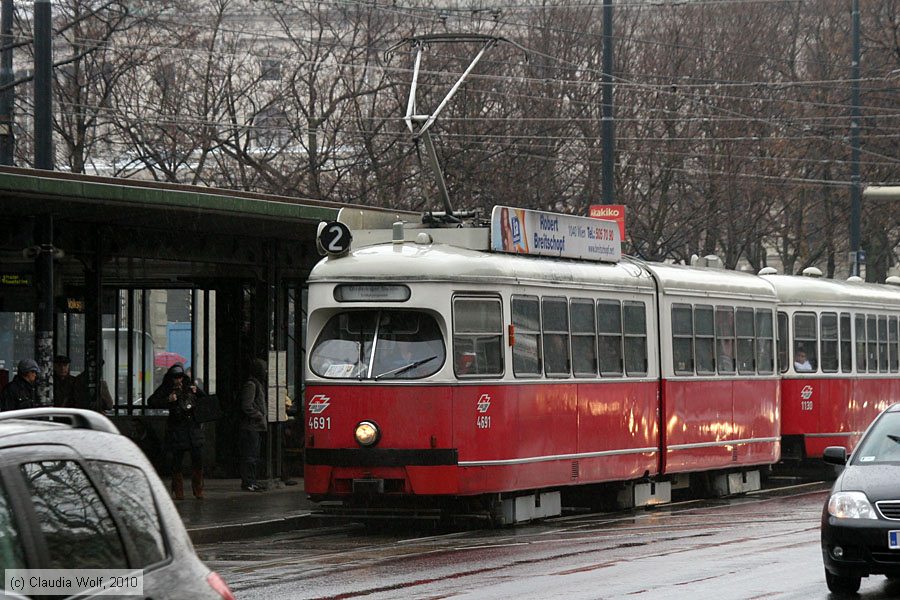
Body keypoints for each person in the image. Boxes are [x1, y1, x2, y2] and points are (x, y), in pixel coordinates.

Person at [149, 363, 204, 500]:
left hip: (192, 428)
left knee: (197, 459)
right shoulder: (167, 389)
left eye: (180, 377)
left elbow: (206, 400)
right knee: (177, 460)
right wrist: (169, 400)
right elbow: (152, 401)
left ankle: (198, 489)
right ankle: (178, 490)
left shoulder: (189, 387)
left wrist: (197, 391)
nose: (178, 381)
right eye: (175, 378)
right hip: (177, 428)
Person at [239, 359, 268, 492]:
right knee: (250, 456)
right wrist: (259, 415)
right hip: (251, 426)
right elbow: (246, 405)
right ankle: (248, 482)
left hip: (255, 426)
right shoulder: (251, 385)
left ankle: (252, 480)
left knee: (254, 455)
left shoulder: (257, 384)